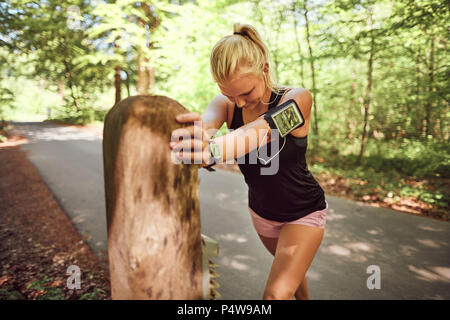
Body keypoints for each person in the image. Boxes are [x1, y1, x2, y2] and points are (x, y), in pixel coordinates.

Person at [169, 23, 328, 300]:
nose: (239, 104)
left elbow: (262, 132)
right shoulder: (225, 104)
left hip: (304, 213)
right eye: (230, 95)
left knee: (274, 295)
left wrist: (213, 150)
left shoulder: (297, 100)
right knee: (291, 275)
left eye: (246, 93)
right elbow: (206, 126)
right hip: (262, 214)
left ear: (264, 69)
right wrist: (195, 138)